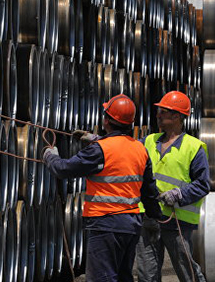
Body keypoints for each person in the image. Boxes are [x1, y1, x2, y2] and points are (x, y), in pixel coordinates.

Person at [44, 94, 162, 282]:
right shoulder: (140, 149)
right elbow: (149, 191)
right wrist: (156, 217)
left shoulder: (100, 149)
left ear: (107, 120)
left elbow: (63, 169)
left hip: (105, 224)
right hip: (131, 225)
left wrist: (50, 155)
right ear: (130, 123)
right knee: (123, 277)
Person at [136, 91, 210, 282]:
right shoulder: (149, 141)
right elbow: (124, 150)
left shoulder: (193, 147)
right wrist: (97, 142)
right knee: (147, 274)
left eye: (162, 111)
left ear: (176, 116)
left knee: (186, 271)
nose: (158, 115)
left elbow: (203, 184)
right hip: (148, 216)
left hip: (177, 219)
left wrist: (178, 194)